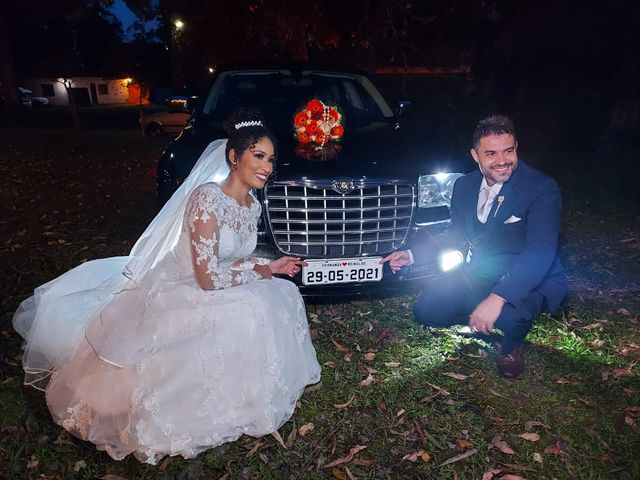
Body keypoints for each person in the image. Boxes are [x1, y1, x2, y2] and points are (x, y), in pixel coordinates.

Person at [12, 108, 321, 464]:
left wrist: (269, 266)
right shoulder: (207, 198)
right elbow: (206, 278)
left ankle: (251, 393)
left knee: (282, 293)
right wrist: (261, 273)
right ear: (235, 157)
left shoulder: (251, 203)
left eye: (270, 158)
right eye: (258, 156)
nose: (266, 166)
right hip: (185, 283)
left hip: (213, 278)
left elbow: (230, 259)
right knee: (252, 307)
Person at [381, 114, 567, 379]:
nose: (502, 161)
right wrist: (412, 254)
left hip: (529, 276)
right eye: (491, 153)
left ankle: (511, 342)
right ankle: (483, 318)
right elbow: (455, 232)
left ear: (516, 148)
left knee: (513, 317)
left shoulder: (541, 188)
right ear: (475, 155)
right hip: (481, 271)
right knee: (427, 311)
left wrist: (497, 298)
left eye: (509, 151)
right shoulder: (464, 185)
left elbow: (540, 252)